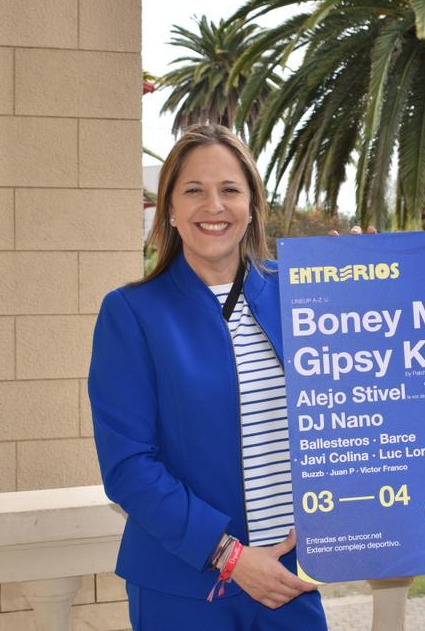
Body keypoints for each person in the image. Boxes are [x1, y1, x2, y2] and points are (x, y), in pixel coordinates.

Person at [88, 124, 325, 630]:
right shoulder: (131, 313)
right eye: (193, 190)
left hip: (289, 582)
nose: (212, 205)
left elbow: (388, 373)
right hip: (184, 588)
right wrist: (230, 556)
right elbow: (128, 466)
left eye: (230, 190)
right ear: (169, 209)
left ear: (253, 205)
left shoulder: (306, 294)